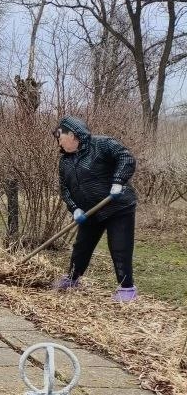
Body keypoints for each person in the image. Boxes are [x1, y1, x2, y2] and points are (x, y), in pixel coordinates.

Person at [53, 116, 138, 302]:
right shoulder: (65, 162)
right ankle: (73, 279)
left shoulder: (101, 144)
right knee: (82, 246)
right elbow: (65, 189)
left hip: (118, 207)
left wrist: (118, 181)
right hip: (90, 211)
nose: (58, 141)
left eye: (60, 136)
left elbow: (126, 157)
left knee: (119, 247)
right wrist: (74, 208)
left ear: (72, 135)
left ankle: (127, 289)